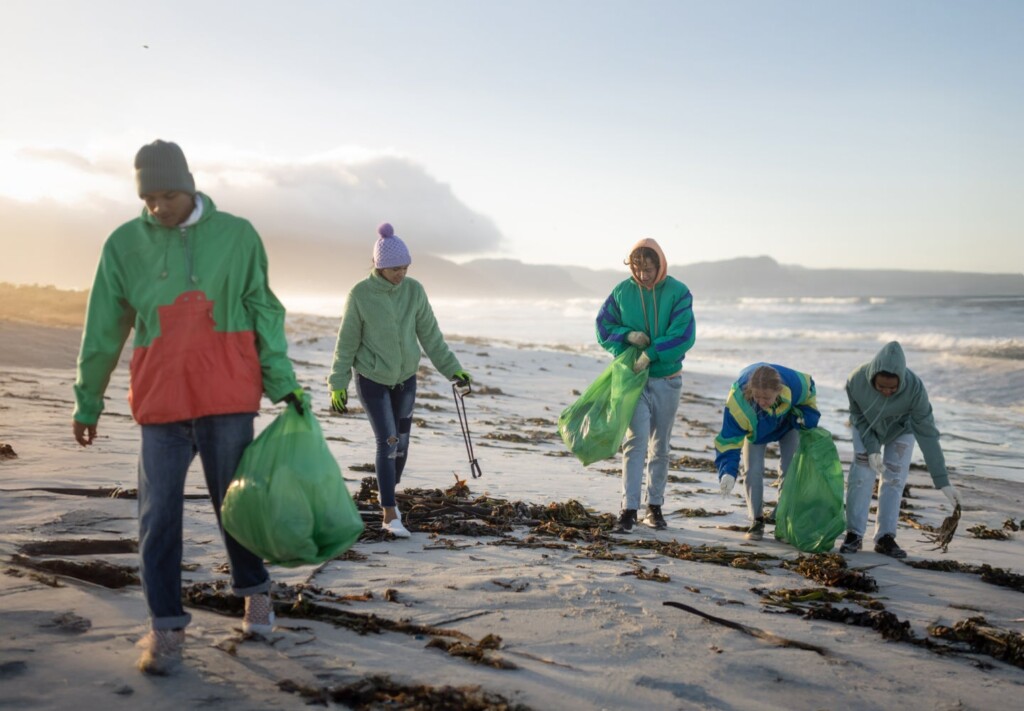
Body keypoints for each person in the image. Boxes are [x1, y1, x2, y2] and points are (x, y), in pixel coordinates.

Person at [72, 140, 303, 674]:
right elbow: (104, 327)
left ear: (190, 185)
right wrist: (88, 401)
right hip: (162, 402)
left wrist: (282, 381)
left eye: (168, 195)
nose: (158, 207)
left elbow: (263, 310)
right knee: (157, 517)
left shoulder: (238, 235)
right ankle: (166, 626)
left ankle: (256, 595)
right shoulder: (123, 244)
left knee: (237, 508)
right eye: (148, 198)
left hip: (227, 397)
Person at [327, 223, 470, 538]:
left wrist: (453, 370)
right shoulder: (360, 295)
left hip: (405, 378)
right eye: (395, 269)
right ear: (379, 266)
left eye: (405, 267)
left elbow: (431, 336)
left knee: (402, 443)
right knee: (388, 440)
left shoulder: (414, 291)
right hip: (372, 378)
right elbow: (346, 343)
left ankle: (387, 489)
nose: (401, 274)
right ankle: (389, 513)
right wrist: (338, 383)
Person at [596, 238, 696, 532]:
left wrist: (651, 353)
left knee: (660, 445)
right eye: (637, 269)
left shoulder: (678, 292)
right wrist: (628, 336)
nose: (642, 275)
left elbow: (684, 334)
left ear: (660, 265)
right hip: (633, 380)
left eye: (648, 269)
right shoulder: (622, 292)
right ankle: (628, 509)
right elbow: (603, 326)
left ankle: (654, 507)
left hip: (667, 379)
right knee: (634, 441)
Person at [840, 341, 961, 558]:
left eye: (893, 388)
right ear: (872, 378)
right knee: (862, 474)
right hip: (866, 427)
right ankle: (854, 534)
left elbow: (927, 434)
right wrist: (873, 449)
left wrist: (942, 480)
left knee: (894, 477)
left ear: (902, 380)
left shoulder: (915, 389)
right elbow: (857, 416)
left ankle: (885, 537)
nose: (887, 392)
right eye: (881, 387)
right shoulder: (856, 380)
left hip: (901, 430)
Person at [714, 363, 821, 540]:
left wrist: (805, 419)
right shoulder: (738, 402)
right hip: (756, 429)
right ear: (751, 390)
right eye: (757, 396)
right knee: (752, 471)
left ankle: (782, 517)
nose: (762, 402)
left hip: (788, 424)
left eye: (767, 398)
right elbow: (729, 440)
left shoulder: (796, 385)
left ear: (779, 390)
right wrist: (727, 472)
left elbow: (810, 399)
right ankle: (756, 521)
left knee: (790, 469)